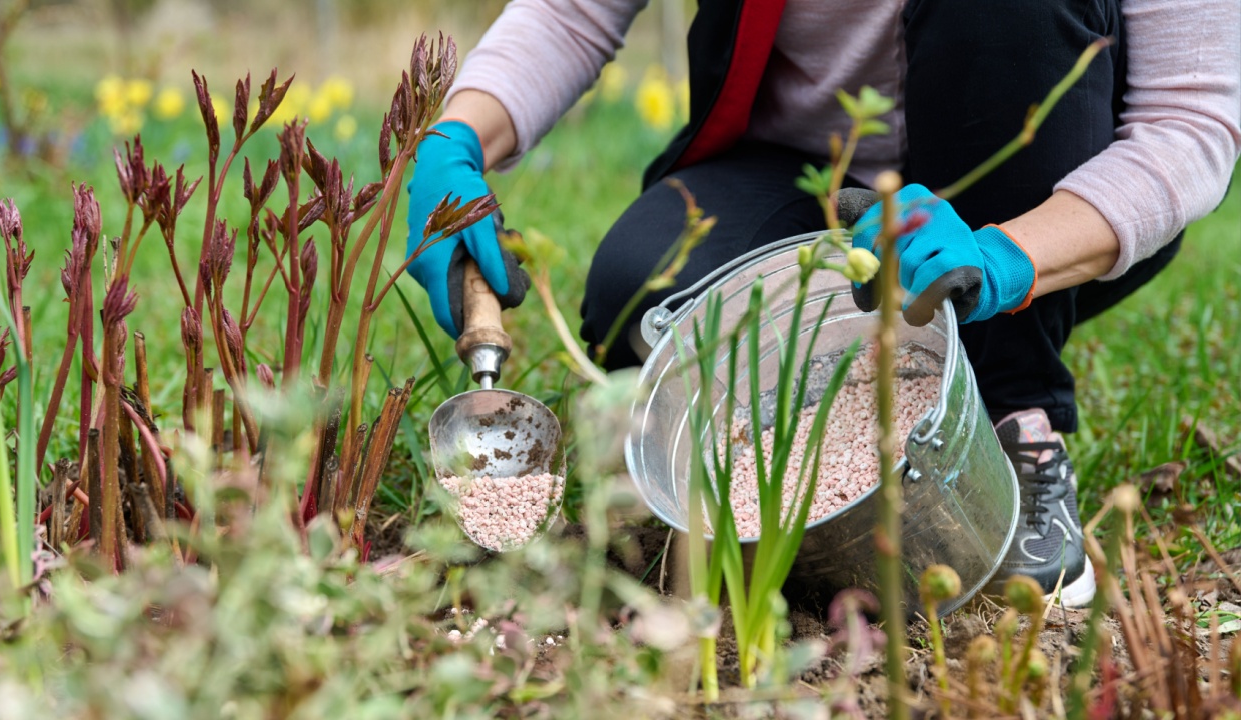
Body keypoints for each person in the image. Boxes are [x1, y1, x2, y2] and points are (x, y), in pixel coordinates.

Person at [405, 0, 1241, 606]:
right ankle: (810, 423)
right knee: (642, 295)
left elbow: (1191, 121)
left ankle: (1013, 412)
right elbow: (570, 14)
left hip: (1026, 193)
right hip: (797, 167)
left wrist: (1008, 255)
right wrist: (459, 135)